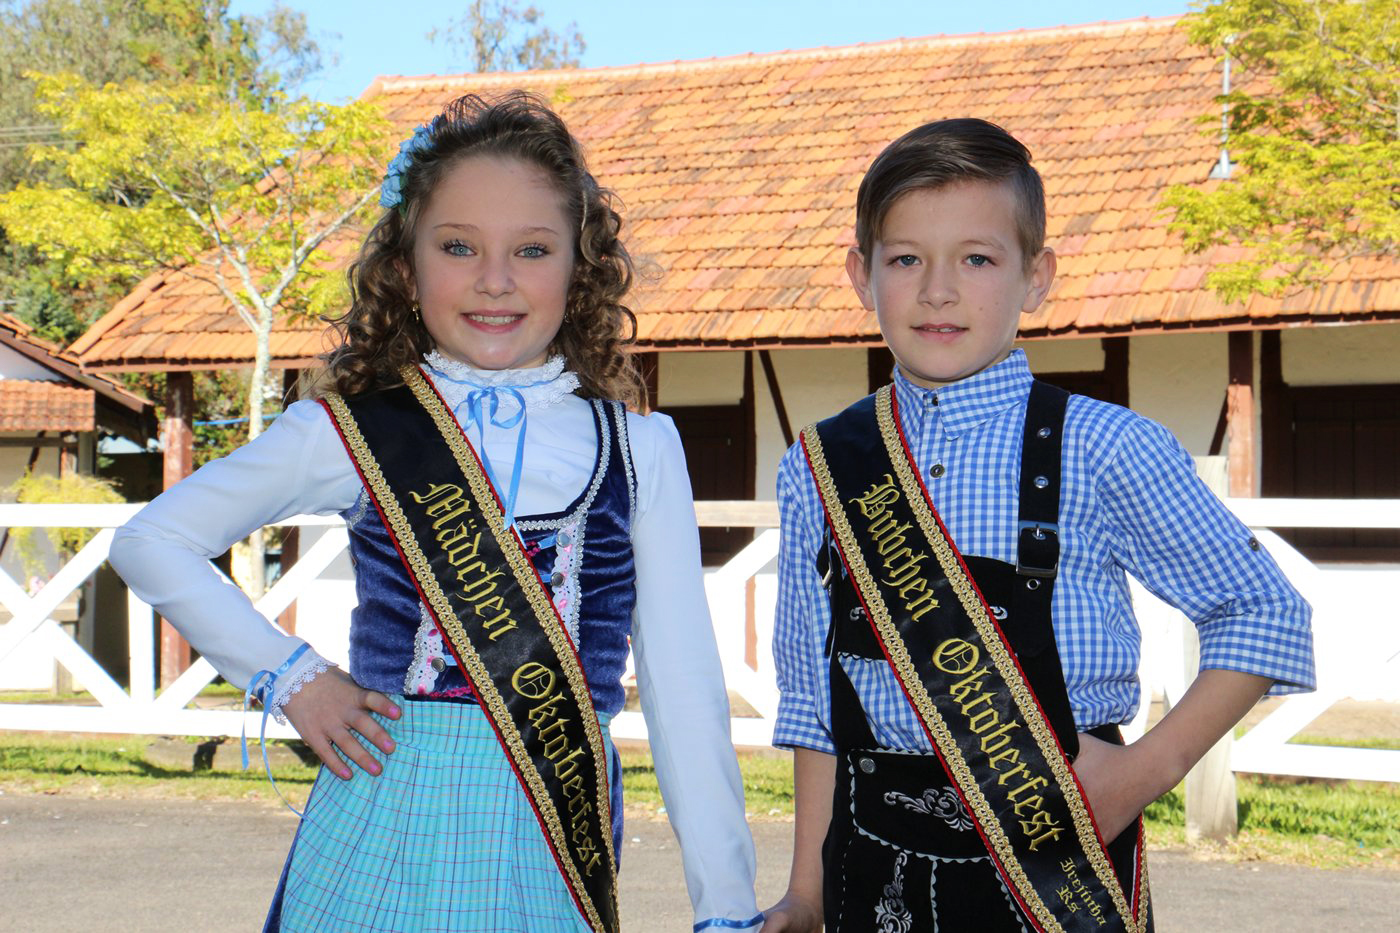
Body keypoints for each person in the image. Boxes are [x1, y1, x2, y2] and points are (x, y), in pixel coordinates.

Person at [110, 92, 763, 933]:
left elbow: (685, 693)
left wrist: (728, 910)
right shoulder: (350, 428)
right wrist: (292, 676)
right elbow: (151, 539)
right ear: (408, 266)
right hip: (386, 805)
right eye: (458, 246)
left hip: (550, 825)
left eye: (533, 249)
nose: (495, 280)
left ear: (580, 266)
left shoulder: (641, 447)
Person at [759, 118, 1315, 933]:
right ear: (861, 274)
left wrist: (1140, 773)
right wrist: (805, 896)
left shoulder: (1103, 444)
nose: (937, 289)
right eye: (905, 258)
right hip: (868, 871)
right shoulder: (818, 465)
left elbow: (1267, 612)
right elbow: (814, 708)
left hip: (1057, 873)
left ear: (1036, 277)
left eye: (977, 259)